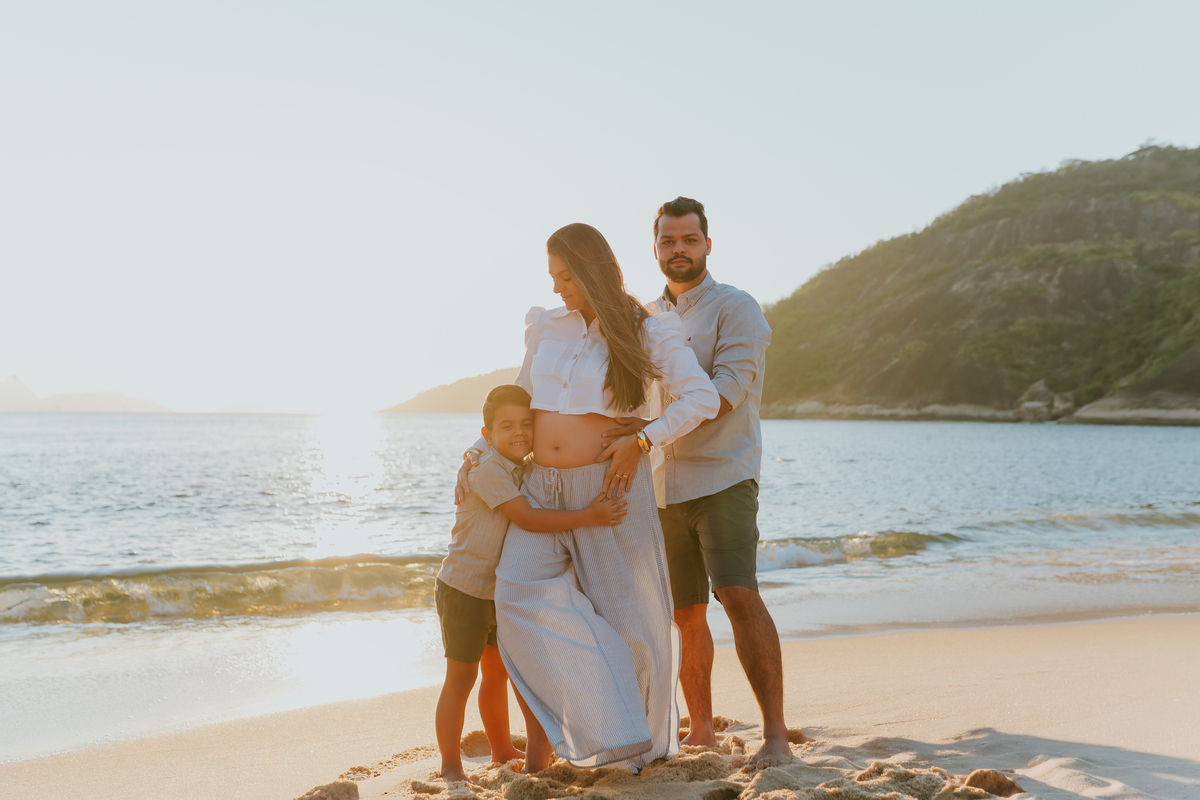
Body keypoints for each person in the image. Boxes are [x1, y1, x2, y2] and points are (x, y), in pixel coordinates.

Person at [458, 223, 719, 772]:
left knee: (629, 623)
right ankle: (580, 735)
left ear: (592, 269)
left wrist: (643, 438)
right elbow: (518, 399)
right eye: (552, 277)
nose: (557, 288)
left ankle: (632, 746)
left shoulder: (648, 328)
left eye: (565, 276)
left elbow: (702, 397)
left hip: (610, 491)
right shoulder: (547, 327)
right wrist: (480, 453)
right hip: (539, 486)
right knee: (517, 599)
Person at [599, 197, 789, 767]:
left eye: (688, 239)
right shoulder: (644, 319)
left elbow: (725, 393)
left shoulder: (738, 309)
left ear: (708, 244)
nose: (677, 250)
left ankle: (775, 733)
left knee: (737, 595)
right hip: (658, 485)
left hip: (723, 475)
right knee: (683, 613)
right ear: (654, 248)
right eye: (667, 241)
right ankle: (700, 730)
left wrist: (645, 435)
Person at [435, 384, 630, 782]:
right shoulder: (488, 468)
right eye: (506, 426)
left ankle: (502, 748)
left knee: (501, 673)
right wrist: (587, 515)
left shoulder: (520, 465)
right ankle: (451, 766)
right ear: (487, 434)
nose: (519, 433)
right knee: (461, 678)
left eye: (526, 424)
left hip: (501, 590)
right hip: (465, 589)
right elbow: (527, 518)